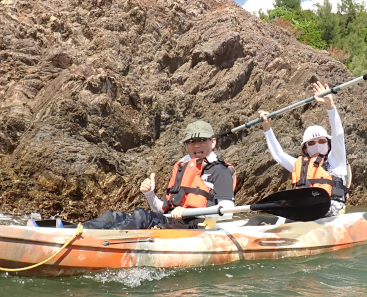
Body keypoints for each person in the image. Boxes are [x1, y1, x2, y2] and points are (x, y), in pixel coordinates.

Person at [81, 120, 236, 230]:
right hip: (173, 223)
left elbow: (228, 212)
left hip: (198, 226)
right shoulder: (183, 167)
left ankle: (102, 240)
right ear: (186, 145)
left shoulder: (220, 171)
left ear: (213, 142)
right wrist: (150, 194)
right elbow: (162, 210)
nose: (196, 145)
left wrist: (188, 211)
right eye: (191, 141)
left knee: (141, 217)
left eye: (202, 140)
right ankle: (76, 231)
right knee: (112, 216)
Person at [258, 81, 351, 218]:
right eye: (312, 143)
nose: (317, 145)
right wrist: (267, 129)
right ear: (306, 149)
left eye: (321, 141)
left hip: (331, 214)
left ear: (329, 143)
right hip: (305, 214)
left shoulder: (337, 160)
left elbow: (338, 134)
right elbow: (279, 155)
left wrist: (330, 107)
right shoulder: (301, 166)